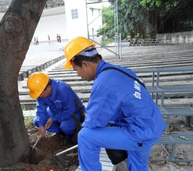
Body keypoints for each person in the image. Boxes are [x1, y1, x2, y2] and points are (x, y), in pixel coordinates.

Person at [63, 37, 166, 171]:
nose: (78, 75)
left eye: (76, 70)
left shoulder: (103, 83)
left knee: (85, 137)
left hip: (139, 132)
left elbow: (93, 122)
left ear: (85, 64)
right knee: (138, 165)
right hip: (152, 124)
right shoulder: (117, 70)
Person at [27, 72, 85, 143]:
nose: (39, 96)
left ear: (48, 88)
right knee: (37, 121)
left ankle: (70, 136)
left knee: (65, 126)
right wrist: (41, 125)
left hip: (73, 113)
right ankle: (61, 132)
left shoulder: (63, 89)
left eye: (40, 94)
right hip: (55, 111)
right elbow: (40, 110)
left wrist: (54, 118)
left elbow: (69, 110)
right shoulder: (41, 92)